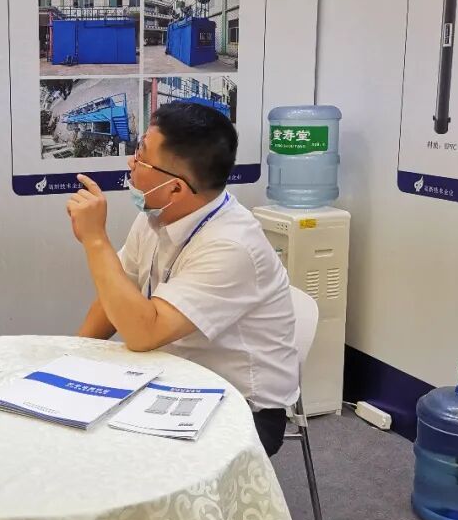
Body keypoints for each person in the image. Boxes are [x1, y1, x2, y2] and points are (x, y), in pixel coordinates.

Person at [66, 100, 298, 456]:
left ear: (175, 188)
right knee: (71, 423)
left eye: (141, 156)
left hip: (239, 403)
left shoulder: (233, 245)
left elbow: (144, 334)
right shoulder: (155, 214)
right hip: (169, 373)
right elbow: (117, 292)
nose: (130, 162)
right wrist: (71, 359)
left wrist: (95, 240)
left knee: (108, 452)